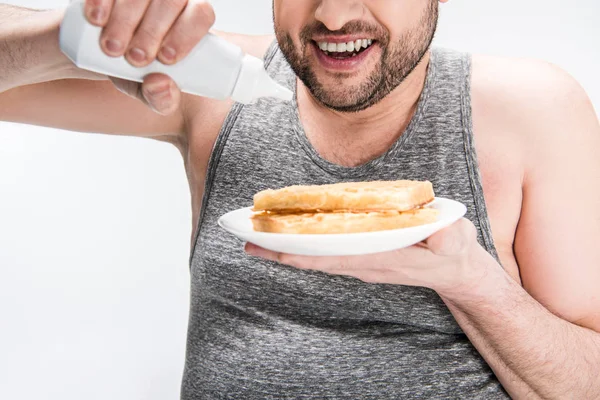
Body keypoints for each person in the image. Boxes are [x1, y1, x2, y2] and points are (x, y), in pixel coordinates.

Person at [1, 0, 599, 398]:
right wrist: (74, 39)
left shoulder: (532, 109)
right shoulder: (213, 83)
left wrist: (472, 282)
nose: (335, 16)